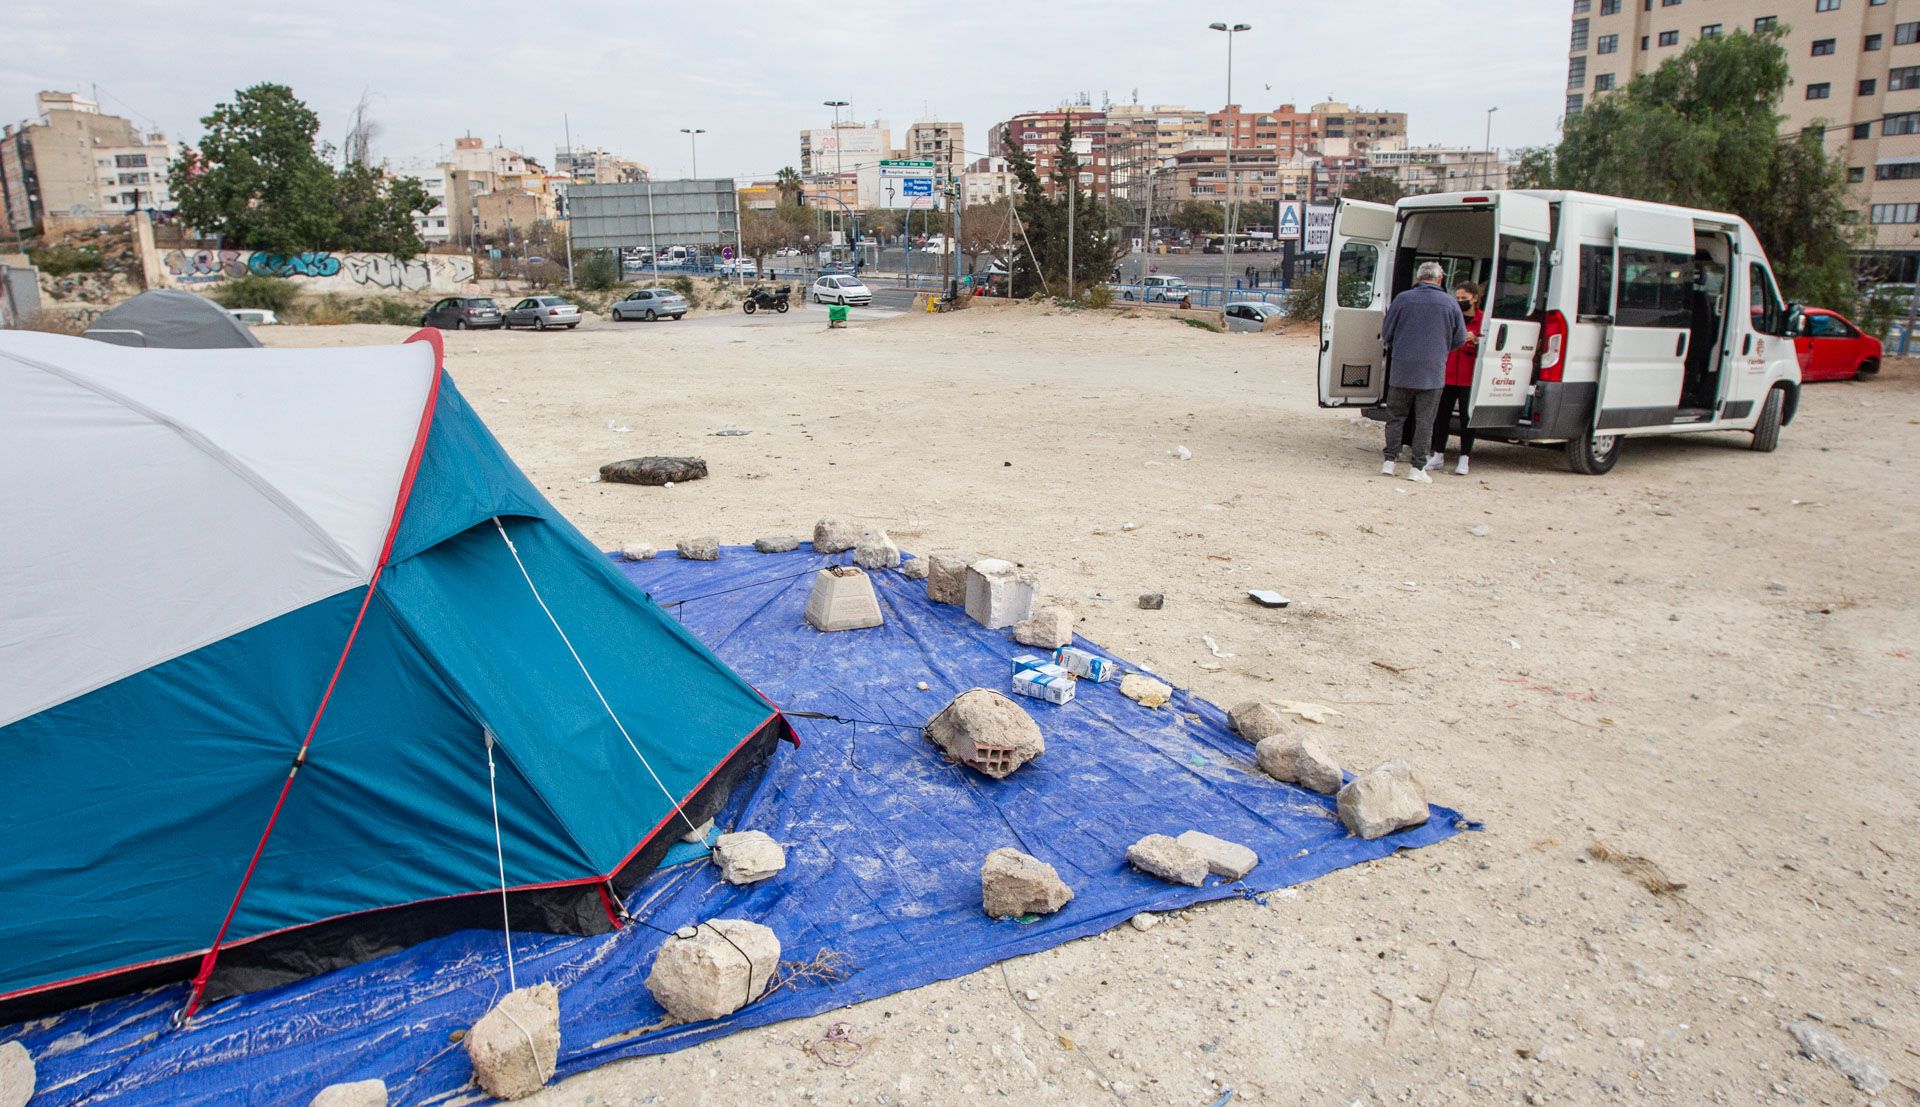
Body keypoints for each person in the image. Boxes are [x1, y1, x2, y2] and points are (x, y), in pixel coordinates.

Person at [1378, 261, 1467, 483]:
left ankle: (1389, 461)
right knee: (1425, 420)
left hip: (1401, 369)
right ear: (1439, 279)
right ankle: (1417, 467)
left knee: (1396, 416)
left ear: (1418, 278)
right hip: (1432, 371)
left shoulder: (1402, 299)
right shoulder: (1450, 303)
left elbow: (1387, 332)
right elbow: (1460, 339)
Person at [1431, 281, 1483, 476]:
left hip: (1469, 377)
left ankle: (1464, 458)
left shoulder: (1482, 319)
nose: (1460, 302)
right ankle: (1438, 454)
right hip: (1448, 374)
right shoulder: (1454, 317)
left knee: (1466, 418)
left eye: (1464, 299)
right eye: (1458, 298)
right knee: (1441, 416)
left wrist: (1476, 340)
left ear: (1475, 298)